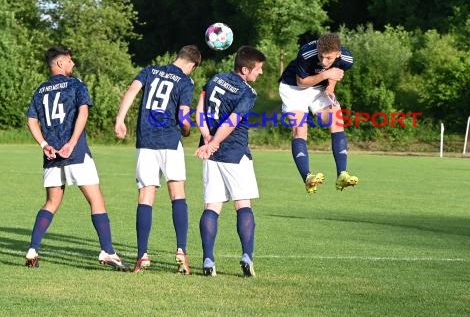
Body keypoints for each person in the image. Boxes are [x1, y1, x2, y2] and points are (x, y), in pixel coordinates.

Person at [25, 46, 128, 270]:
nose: (73, 64)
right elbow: (83, 112)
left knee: (51, 202)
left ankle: (33, 248)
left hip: (52, 155)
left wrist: (44, 144)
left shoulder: (40, 90)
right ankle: (108, 251)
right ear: (60, 63)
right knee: (96, 200)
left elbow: (31, 120)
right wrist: (71, 144)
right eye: (70, 60)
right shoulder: (76, 84)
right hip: (75, 153)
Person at [114, 45, 202, 274]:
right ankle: (181, 252)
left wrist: (120, 119)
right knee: (177, 193)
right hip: (170, 141)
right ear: (192, 64)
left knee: (146, 195)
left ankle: (142, 255)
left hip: (146, 141)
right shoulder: (185, 81)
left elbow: (132, 91)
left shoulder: (150, 71)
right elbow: (183, 117)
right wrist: (186, 130)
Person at [194, 46, 266, 277]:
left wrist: (206, 138)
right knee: (242, 204)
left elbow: (199, 109)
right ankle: (247, 255)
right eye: (258, 69)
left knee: (212, 206)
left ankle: (207, 260)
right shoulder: (248, 92)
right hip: (234, 152)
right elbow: (233, 121)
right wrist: (214, 142)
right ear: (245, 69)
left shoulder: (216, 78)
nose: (260, 73)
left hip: (210, 153)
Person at [278, 32, 358, 193]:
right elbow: (302, 82)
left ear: (338, 54)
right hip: (293, 88)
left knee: (336, 120)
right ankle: (307, 178)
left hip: (319, 89)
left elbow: (337, 70)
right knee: (300, 129)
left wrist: (330, 87)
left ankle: (342, 174)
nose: (324, 60)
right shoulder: (306, 52)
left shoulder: (347, 58)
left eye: (329, 58)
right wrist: (325, 74)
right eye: (321, 56)